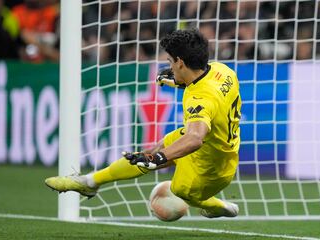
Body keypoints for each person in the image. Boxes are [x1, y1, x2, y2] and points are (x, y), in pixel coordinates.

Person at [45, 28, 242, 218]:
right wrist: (177, 81)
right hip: (215, 143)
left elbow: (195, 137)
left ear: (181, 62)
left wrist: (158, 159)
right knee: (146, 154)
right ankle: (90, 182)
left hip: (212, 167)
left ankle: (221, 208)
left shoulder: (200, 100)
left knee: (179, 189)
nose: (170, 67)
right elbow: (207, 88)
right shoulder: (222, 71)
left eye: (171, 62)